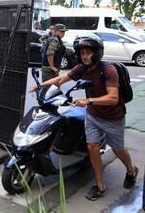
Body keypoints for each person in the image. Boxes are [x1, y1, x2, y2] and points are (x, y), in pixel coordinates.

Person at [29, 33, 138, 201]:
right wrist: (39, 86)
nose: (85, 56)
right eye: (82, 53)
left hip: (113, 117)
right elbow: (62, 79)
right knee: (92, 147)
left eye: (88, 52)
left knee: (118, 150)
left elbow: (113, 98)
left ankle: (131, 170)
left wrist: (88, 100)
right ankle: (100, 186)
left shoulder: (108, 70)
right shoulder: (81, 68)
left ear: (97, 52)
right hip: (93, 115)